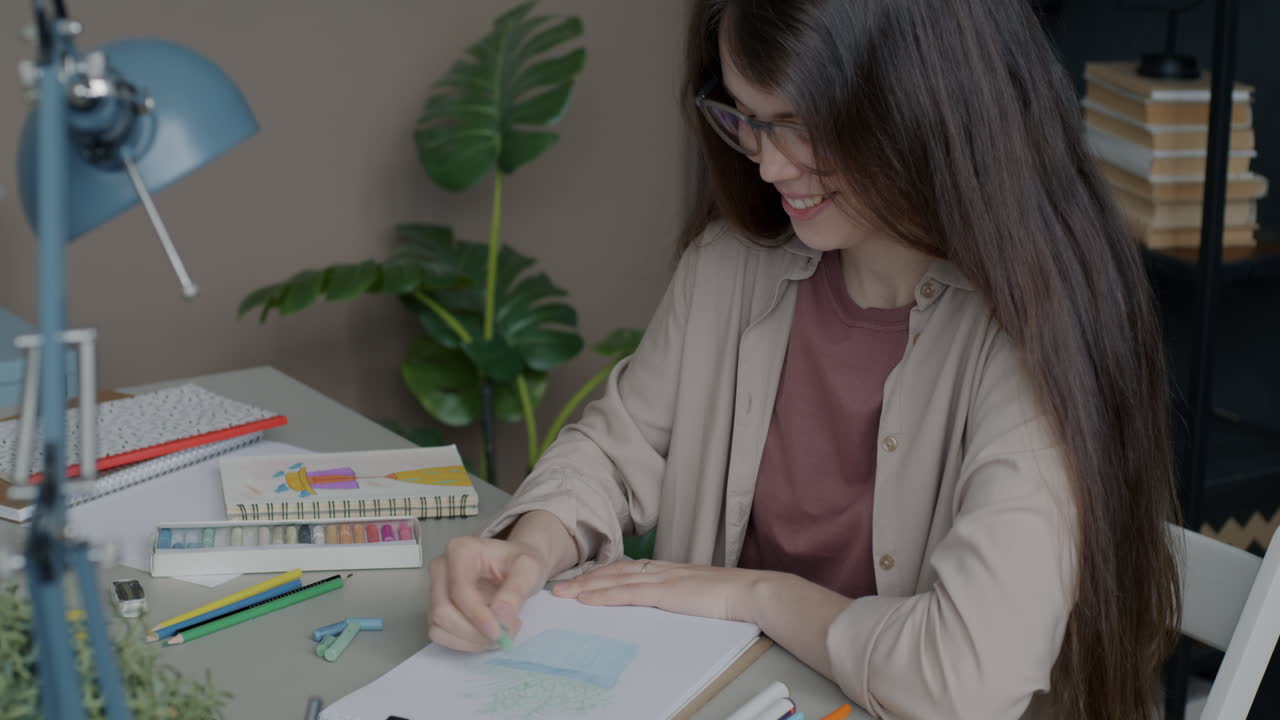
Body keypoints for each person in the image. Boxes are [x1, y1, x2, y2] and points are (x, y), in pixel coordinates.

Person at [426, 1, 1182, 718]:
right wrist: (529, 547)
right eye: (747, 120)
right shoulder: (730, 269)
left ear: (919, 105)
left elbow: (963, 679)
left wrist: (753, 596)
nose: (768, 166)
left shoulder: (1029, 336)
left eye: (800, 125)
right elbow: (618, 450)